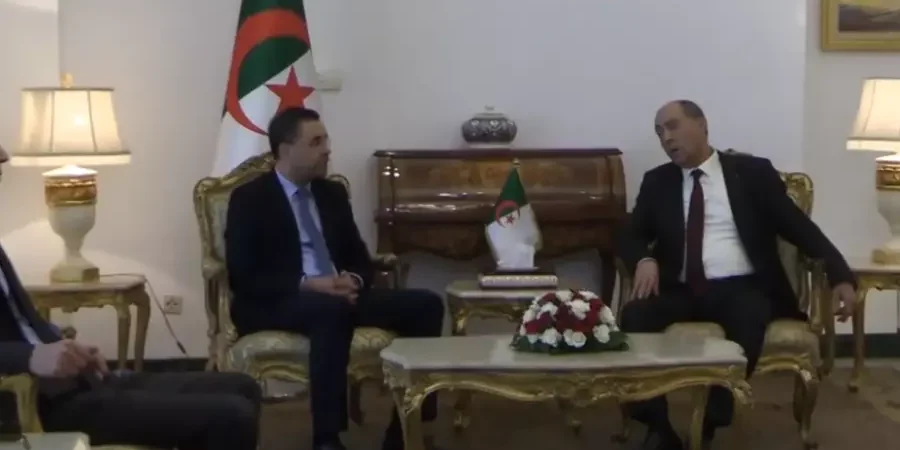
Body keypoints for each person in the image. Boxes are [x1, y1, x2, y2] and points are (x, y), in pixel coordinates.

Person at [617, 100, 857, 450]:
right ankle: (657, 427)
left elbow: (798, 228)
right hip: (679, 288)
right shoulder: (658, 181)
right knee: (635, 316)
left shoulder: (752, 173)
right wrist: (643, 259)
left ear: (702, 125)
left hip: (739, 288)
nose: (666, 138)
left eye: (672, 126)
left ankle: (712, 417)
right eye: (659, 132)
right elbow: (631, 234)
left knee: (750, 312)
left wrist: (840, 275)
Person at [0, 143, 262, 449]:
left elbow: (23, 323)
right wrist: (30, 356)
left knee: (243, 387)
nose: (5, 155)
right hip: (39, 404)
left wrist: (68, 349)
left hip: (79, 383)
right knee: (231, 416)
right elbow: (24, 346)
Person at [225, 107, 445, 450]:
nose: (327, 150)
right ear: (286, 149)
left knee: (427, 305)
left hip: (337, 296)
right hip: (275, 300)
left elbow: (359, 257)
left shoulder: (332, 194)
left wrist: (353, 279)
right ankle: (326, 439)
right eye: (316, 142)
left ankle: (408, 427)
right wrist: (308, 284)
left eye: (326, 140)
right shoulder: (249, 199)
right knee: (330, 310)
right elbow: (243, 273)